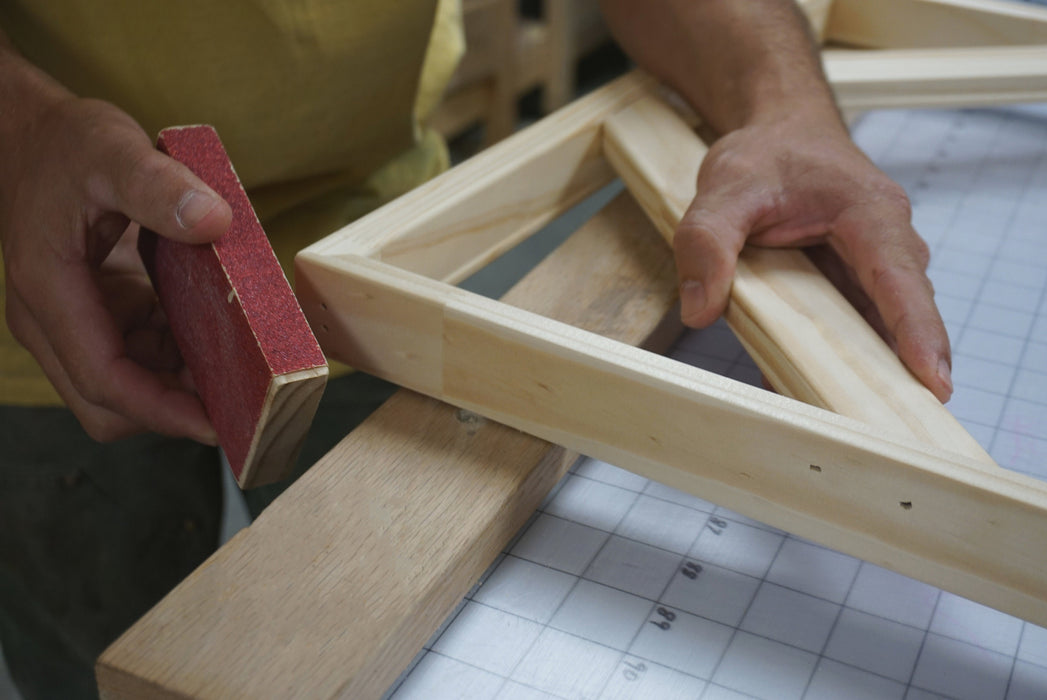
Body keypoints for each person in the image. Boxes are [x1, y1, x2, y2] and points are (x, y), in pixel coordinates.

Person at [0, 1, 952, 697]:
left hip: (367, 238)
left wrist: (783, 105)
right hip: (44, 248)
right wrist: (28, 130)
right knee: (102, 647)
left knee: (369, 605)